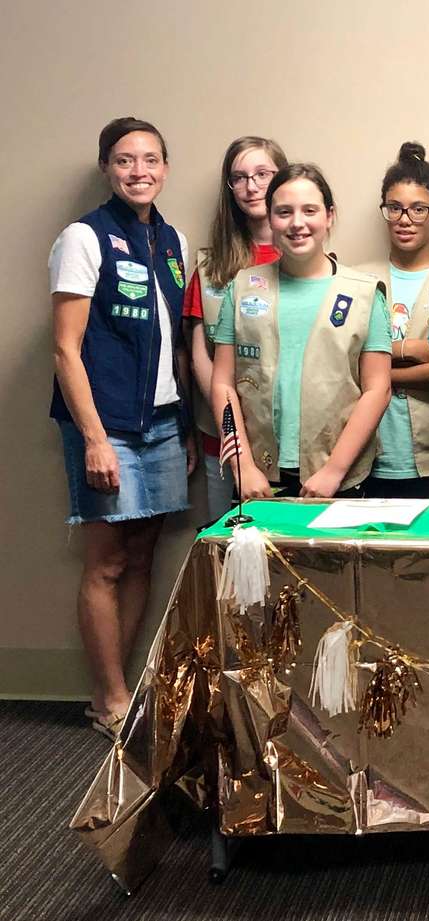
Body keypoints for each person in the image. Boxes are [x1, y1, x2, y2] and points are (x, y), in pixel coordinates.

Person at [50, 117, 194, 737]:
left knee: (142, 557)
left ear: (165, 168)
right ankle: (108, 700)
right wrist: (93, 438)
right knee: (107, 562)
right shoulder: (84, 237)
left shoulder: (174, 240)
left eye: (151, 160)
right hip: (107, 424)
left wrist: (186, 426)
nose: (140, 172)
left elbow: (181, 345)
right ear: (108, 168)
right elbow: (65, 349)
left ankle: (124, 686)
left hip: (163, 422)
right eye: (125, 161)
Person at [210, 164, 392, 499]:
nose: (297, 223)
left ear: (329, 216)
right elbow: (223, 383)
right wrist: (242, 466)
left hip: (340, 477)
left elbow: (378, 389)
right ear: (270, 217)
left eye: (310, 210)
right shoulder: (243, 287)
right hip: (259, 479)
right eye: (284, 212)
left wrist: (334, 471)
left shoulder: (364, 293)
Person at [183, 136, 287, 521]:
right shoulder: (211, 268)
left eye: (263, 174)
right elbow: (200, 358)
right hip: (224, 441)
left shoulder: (310, 259)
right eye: (239, 177)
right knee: (231, 555)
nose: (252, 186)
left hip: (290, 440)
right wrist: (234, 432)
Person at [357, 142, 429, 499]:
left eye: (418, 209)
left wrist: (377, 376)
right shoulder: (356, 282)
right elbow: (341, 365)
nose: (404, 219)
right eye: (394, 208)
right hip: (365, 454)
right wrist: (413, 350)